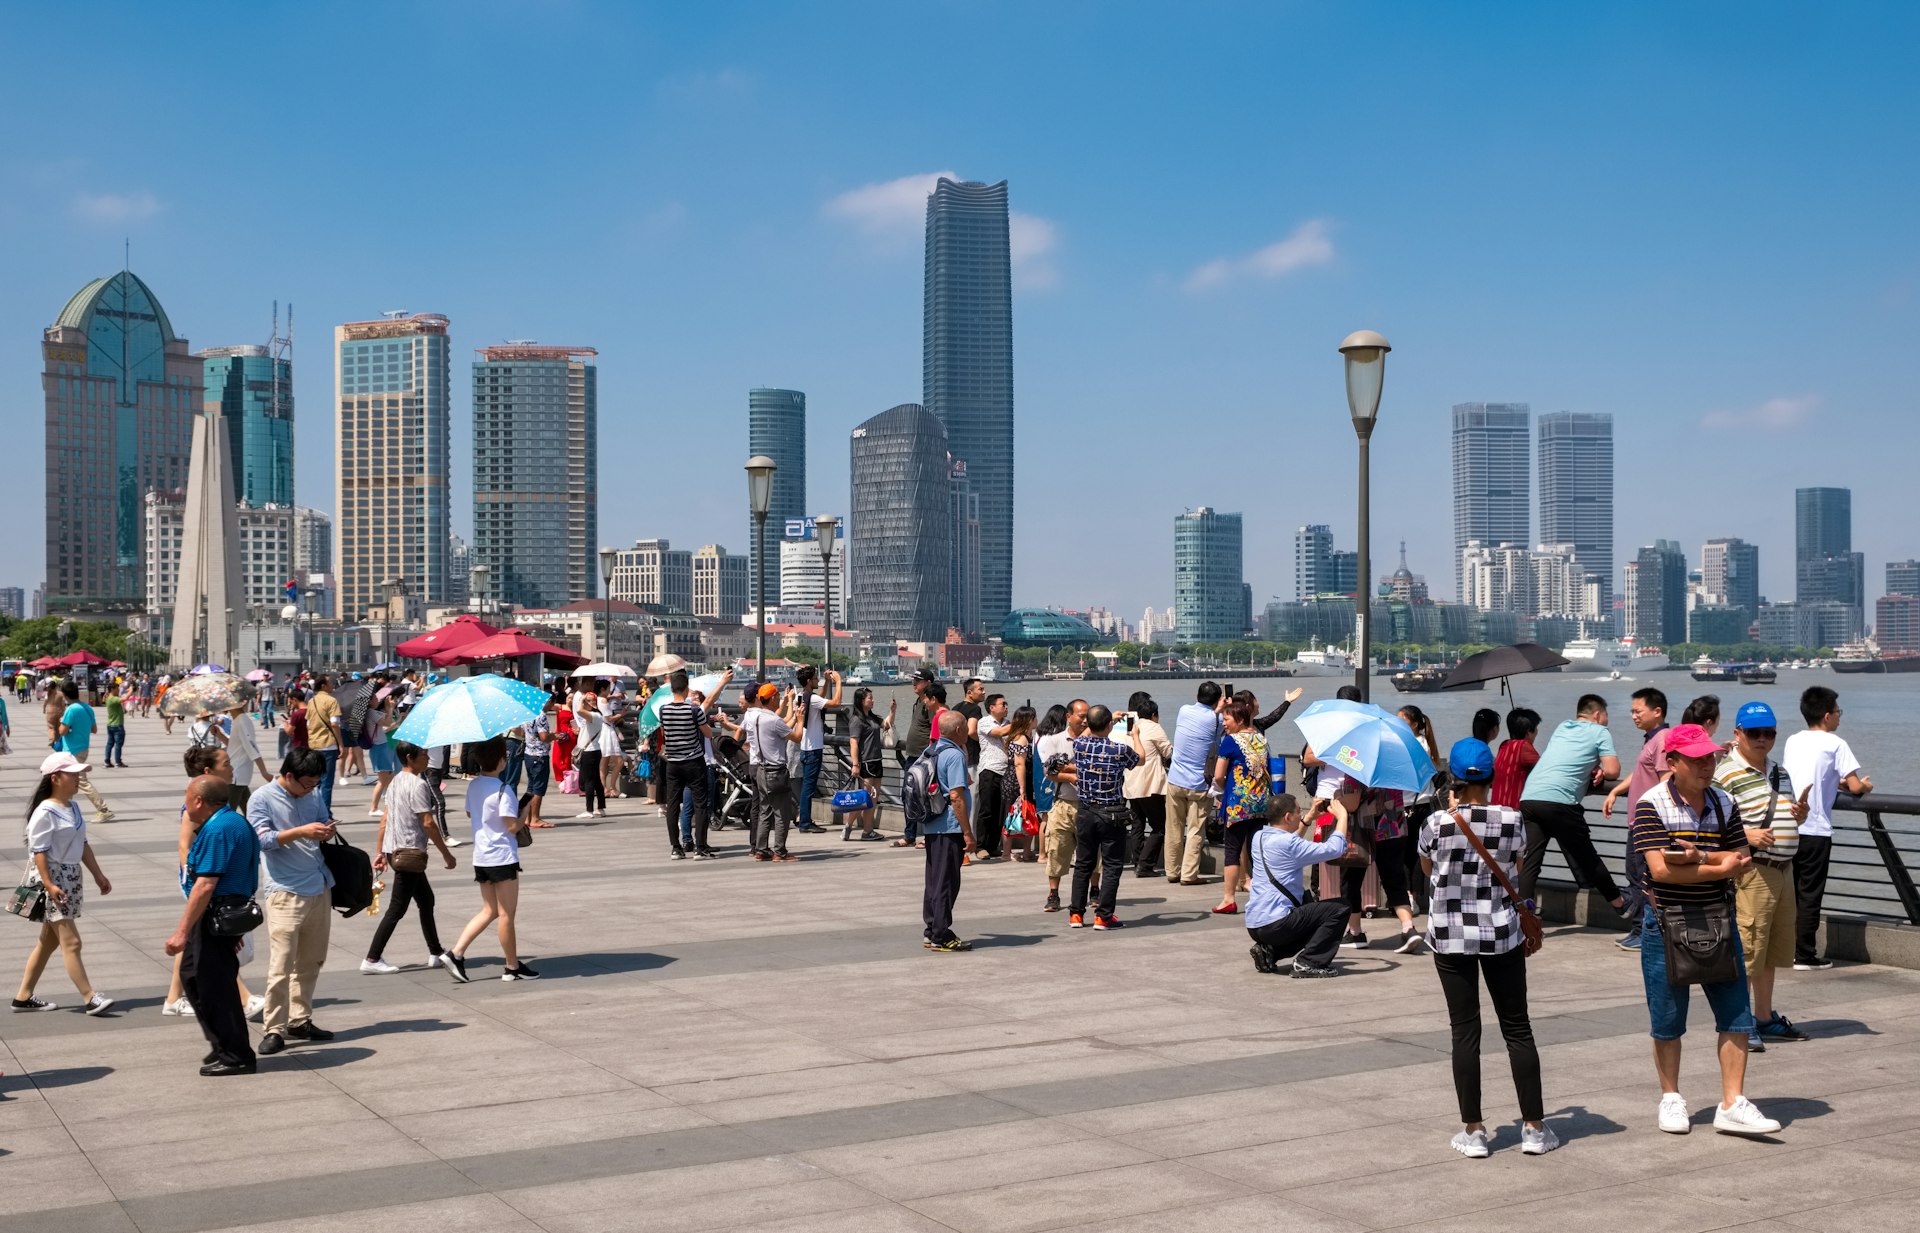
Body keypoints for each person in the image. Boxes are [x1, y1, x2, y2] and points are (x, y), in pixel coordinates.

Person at [1631, 722, 1781, 1137]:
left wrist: (1697, 857)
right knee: (1667, 1017)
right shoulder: (1652, 804)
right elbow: (1660, 871)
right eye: (1696, 759)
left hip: (1718, 917)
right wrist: (1719, 866)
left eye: (1710, 757)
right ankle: (1671, 1098)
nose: (1706, 765)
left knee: (1737, 1013)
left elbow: (1743, 858)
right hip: (1665, 922)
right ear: (1672, 761)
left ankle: (1732, 1102)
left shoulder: (1723, 801)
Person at [1419, 739, 1555, 1157]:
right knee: (1517, 1027)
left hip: (1450, 934)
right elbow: (1514, 868)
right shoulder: (1512, 819)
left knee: (1465, 1030)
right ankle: (1533, 1128)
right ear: (1492, 778)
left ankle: (1474, 1131)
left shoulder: (1436, 822)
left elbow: (1427, 869)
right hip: (1500, 933)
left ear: (1453, 780)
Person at [1714, 702, 1811, 1053]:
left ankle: (1764, 1016)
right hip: (1752, 870)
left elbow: (1782, 814)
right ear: (1738, 733)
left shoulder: (1779, 771)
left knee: (1770, 951)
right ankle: (1741, 1022)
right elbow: (1709, 819)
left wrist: (1799, 814)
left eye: (1769, 733)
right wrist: (1747, 837)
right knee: (1748, 949)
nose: (1762, 739)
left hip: (1783, 870)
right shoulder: (1724, 773)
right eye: (1754, 733)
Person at [247, 748, 339, 1056]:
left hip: (318, 884)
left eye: (316, 783)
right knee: (281, 964)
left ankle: (301, 1019)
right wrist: (301, 831)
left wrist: (326, 829)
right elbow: (261, 840)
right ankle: (274, 1028)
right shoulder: (261, 798)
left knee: (311, 961)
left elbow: (323, 818)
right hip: (285, 890)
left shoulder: (312, 795)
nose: (312, 788)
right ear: (289, 776)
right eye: (307, 783)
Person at [164, 776, 259, 1075]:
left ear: (199, 801)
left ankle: (237, 1055)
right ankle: (223, 1045)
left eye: (186, 796)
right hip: (224, 913)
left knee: (215, 986)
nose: (184, 802)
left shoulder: (218, 829)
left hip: (216, 913)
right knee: (191, 974)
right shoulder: (230, 821)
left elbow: (205, 884)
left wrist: (181, 931)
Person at [12, 752, 115, 1015]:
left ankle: (23, 996)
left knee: (48, 941)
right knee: (72, 942)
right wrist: (49, 885)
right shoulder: (45, 812)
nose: (79, 778)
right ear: (56, 778)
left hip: (69, 878)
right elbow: (39, 851)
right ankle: (89, 997)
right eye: (74, 774)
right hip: (53, 882)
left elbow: (82, 844)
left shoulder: (73, 807)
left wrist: (98, 874)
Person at [1780, 685, 1870, 971]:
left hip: (1790, 825)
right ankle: (1805, 955)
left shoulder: (1793, 740)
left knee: (1790, 892)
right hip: (1816, 829)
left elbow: (1801, 775)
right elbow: (1855, 786)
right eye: (1838, 713)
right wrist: (1864, 785)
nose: (1840, 718)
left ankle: (1785, 950)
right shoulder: (1836, 744)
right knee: (1810, 894)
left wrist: (1835, 782)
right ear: (1828, 715)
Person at [1516, 693, 1626, 916]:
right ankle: (1620, 904)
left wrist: (1593, 767)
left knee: (1530, 861)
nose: (1607, 721)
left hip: (1530, 796)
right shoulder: (1600, 731)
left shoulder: (1563, 727)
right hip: (1560, 801)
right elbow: (1614, 771)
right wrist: (1602, 770)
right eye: (1606, 715)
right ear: (1597, 715)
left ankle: (1522, 916)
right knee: (1587, 856)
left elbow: (1567, 757)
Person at [444, 736, 537, 982]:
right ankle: (511, 966)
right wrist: (524, 812)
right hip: (502, 857)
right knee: (506, 914)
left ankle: (456, 953)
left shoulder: (474, 786)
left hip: (482, 856)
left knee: (490, 910)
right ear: (501, 760)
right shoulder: (503, 790)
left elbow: (469, 812)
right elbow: (512, 827)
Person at [363, 743, 457, 974]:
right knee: (397, 908)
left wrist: (380, 852)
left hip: (394, 850)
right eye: (423, 755)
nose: (427, 758)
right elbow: (428, 823)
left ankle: (436, 951)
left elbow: (385, 819)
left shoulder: (395, 781)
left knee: (426, 900)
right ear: (409, 758)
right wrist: (446, 853)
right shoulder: (418, 785)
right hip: (409, 853)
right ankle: (372, 958)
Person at [1246, 789, 1357, 978]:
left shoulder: (1259, 837)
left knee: (1310, 911)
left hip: (1256, 924)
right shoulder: (1288, 844)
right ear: (1288, 817)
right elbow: (1335, 849)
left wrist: (1310, 818)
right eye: (1299, 811)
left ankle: (1270, 952)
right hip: (1277, 925)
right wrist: (1343, 816)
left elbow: (1290, 841)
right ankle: (1309, 963)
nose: (1301, 814)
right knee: (1340, 908)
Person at [1061, 704, 1142, 930]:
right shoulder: (1119, 750)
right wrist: (1135, 735)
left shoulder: (1079, 745)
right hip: (1111, 814)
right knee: (1112, 865)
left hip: (1085, 812)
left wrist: (1106, 721)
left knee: (1083, 864)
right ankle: (1103, 915)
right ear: (1108, 725)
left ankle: (1076, 914)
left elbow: (1086, 734)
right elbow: (1141, 759)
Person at [1603, 687, 1669, 952]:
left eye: (1637, 711)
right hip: (1638, 822)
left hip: (1648, 825)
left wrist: (1658, 819)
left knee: (1642, 877)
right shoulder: (1651, 739)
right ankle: (1640, 929)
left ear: (1657, 711)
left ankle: (1645, 931)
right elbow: (1641, 771)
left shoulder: (1663, 739)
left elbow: (1666, 780)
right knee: (1636, 874)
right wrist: (1616, 790)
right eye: (1632, 711)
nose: (1633, 716)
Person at [921, 710, 975, 952]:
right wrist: (967, 832)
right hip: (949, 826)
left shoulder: (931, 750)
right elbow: (956, 796)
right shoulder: (953, 754)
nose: (968, 730)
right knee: (946, 882)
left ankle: (931, 929)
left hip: (932, 825)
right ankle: (941, 935)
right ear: (958, 730)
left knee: (934, 881)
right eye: (965, 725)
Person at [1210, 700, 1270, 916]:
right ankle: (1264, 897)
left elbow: (1218, 775)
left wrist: (1229, 789)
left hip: (1238, 806)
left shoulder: (1230, 741)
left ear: (1240, 720)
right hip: (1261, 804)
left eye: (1227, 719)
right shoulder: (1261, 739)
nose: (1224, 723)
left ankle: (1228, 899)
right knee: (1259, 851)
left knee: (1233, 851)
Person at [659, 668, 726, 860]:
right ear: (687, 689)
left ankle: (676, 847)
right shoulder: (694, 710)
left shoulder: (664, 710)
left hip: (673, 763)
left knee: (672, 804)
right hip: (694, 762)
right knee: (700, 803)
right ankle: (700, 847)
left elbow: (665, 734)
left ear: (672, 689)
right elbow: (708, 733)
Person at [1165, 682, 1225, 886]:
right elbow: (1216, 736)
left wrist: (1217, 708)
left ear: (1196, 695)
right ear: (1218, 700)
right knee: (1195, 830)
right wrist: (1221, 709)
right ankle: (1189, 875)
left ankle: (1172, 871)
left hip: (1175, 779)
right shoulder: (1216, 719)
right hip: (1199, 784)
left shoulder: (1183, 710)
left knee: (1173, 828)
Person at [742, 682, 804, 861]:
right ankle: (780, 851)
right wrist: (800, 720)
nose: (779, 699)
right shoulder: (774, 720)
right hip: (776, 771)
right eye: (777, 696)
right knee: (782, 813)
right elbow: (797, 737)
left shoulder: (753, 717)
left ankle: (761, 850)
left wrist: (789, 704)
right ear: (771, 699)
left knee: (764, 810)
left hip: (760, 768)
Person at [1034, 703, 1079, 909]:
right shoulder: (1055, 740)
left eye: (1088, 716)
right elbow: (1050, 772)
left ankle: (1095, 891)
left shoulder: (1094, 740)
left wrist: (1068, 768)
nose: (1085, 720)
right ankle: (1053, 894)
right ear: (1068, 716)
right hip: (1063, 802)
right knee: (1057, 849)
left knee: (1092, 852)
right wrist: (1073, 775)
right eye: (1081, 715)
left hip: (1089, 804)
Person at [1122, 693, 1171, 878]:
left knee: (1137, 824)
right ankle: (1145, 864)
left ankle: (1138, 861)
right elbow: (1167, 752)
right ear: (1154, 715)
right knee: (1159, 826)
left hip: (1131, 784)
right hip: (1150, 785)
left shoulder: (1130, 728)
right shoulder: (1154, 727)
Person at [792, 665, 843, 835]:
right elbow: (835, 703)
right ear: (808, 681)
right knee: (808, 787)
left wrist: (827, 683)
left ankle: (804, 819)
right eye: (815, 678)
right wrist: (838, 682)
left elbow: (818, 698)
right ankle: (805, 822)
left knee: (807, 786)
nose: (817, 680)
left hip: (806, 748)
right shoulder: (811, 698)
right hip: (813, 748)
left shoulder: (801, 696)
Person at [54, 681, 114, 821]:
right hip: (83, 748)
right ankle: (65, 810)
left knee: (80, 781)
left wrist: (62, 723)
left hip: (72, 750)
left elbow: (62, 732)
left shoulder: (71, 709)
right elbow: (94, 729)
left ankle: (103, 809)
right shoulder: (87, 707)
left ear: (65, 695)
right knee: (69, 779)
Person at [971, 693, 1014, 861]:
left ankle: (993, 845)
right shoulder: (984, 722)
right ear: (991, 707)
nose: (1005, 707)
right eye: (1002, 704)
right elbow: (999, 732)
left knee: (1000, 811)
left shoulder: (1008, 723)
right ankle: (981, 846)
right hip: (989, 770)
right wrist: (1021, 721)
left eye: (1006, 704)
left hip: (1005, 771)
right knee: (986, 809)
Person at [847, 689, 893, 842]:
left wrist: (892, 711)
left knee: (873, 798)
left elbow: (887, 725)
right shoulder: (856, 720)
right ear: (861, 701)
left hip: (877, 760)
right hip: (865, 762)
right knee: (864, 798)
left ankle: (868, 831)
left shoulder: (872, 717)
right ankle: (849, 825)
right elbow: (853, 742)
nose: (872, 701)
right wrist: (855, 764)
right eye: (870, 698)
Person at [304, 676, 343, 812]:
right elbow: (334, 723)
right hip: (328, 744)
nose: (332, 685)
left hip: (314, 744)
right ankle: (325, 812)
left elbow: (308, 723)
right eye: (330, 682)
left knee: (315, 780)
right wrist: (341, 744)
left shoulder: (311, 701)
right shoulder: (332, 701)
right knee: (327, 782)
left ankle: (314, 809)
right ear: (323, 686)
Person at [1491, 708, 1542, 811]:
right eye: (1536, 729)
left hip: (1496, 810)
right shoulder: (1523, 746)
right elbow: (1546, 769)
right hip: (1513, 813)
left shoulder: (1504, 745)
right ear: (1528, 732)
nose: (1537, 732)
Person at [572, 684, 608, 819]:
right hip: (593, 750)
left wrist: (581, 699)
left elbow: (579, 710)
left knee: (588, 781)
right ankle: (600, 808)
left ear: (593, 704)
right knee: (596, 781)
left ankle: (589, 810)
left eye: (589, 701)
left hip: (590, 752)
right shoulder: (594, 715)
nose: (585, 703)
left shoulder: (594, 715)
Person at [365, 679, 399, 818]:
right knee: (384, 779)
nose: (376, 699)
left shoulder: (371, 713)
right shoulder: (371, 713)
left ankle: (388, 803)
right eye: (373, 697)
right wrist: (390, 708)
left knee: (386, 778)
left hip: (380, 747)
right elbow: (388, 722)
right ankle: (374, 808)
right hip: (379, 747)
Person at [520, 698, 553, 828]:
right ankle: (535, 818)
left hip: (529, 753)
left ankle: (526, 817)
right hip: (539, 755)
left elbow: (522, 732)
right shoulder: (541, 716)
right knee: (538, 788)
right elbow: (544, 737)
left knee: (531, 787)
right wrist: (554, 736)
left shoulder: (527, 713)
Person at [102, 681, 127, 768]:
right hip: (117, 725)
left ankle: (107, 761)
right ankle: (118, 762)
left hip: (110, 725)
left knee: (110, 744)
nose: (118, 690)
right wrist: (131, 691)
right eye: (117, 689)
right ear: (112, 689)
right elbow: (124, 699)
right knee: (118, 744)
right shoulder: (113, 699)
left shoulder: (108, 698)